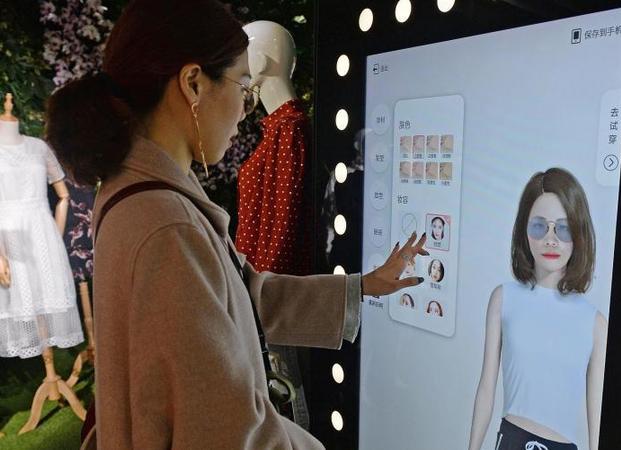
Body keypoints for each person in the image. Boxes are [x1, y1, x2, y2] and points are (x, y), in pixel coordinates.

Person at [45, 1, 427, 449]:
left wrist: (362, 287)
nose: (247, 110)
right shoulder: (167, 226)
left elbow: (239, 296)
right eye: (243, 86)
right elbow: (226, 432)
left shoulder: (145, 192)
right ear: (193, 84)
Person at [468, 168, 607, 450]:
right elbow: (486, 388)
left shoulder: (595, 324)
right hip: (511, 438)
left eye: (563, 228)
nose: (551, 240)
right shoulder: (503, 299)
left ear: (578, 233)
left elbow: (598, 412)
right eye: (539, 227)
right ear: (524, 230)